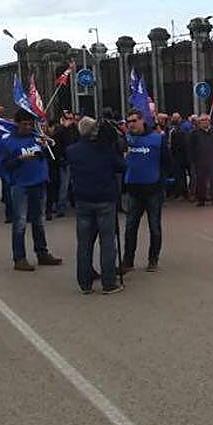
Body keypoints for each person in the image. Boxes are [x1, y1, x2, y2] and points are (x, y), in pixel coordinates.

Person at [66, 117, 125, 294]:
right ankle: (109, 282)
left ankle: (85, 283)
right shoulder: (105, 150)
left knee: (84, 243)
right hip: (105, 199)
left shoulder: (72, 151)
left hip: (83, 199)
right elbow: (121, 166)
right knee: (107, 242)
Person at [2, 110, 62, 271]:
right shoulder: (9, 141)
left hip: (39, 182)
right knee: (20, 222)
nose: (28, 127)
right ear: (17, 124)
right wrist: (19, 159)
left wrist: (46, 146)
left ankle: (42, 252)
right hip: (20, 185)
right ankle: (19, 258)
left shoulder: (37, 138)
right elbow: (5, 165)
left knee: (39, 221)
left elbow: (51, 156)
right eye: (25, 124)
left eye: (30, 124)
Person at [122, 109, 172, 273]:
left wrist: (161, 181)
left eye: (134, 121)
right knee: (130, 227)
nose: (131, 124)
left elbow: (167, 162)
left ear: (142, 120)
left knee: (154, 227)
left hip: (153, 189)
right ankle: (128, 260)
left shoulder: (157, 139)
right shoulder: (126, 139)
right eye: (128, 122)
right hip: (133, 189)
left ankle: (153, 259)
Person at [187, 115, 213, 206]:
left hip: (212, 160)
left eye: (206, 120)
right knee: (200, 181)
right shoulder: (194, 133)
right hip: (200, 161)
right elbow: (191, 148)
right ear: (199, 122)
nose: (204, 122)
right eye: (202, 120)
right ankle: (201, 200)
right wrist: (193, 160)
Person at [51, 111, 79, 217]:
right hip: (64, 160)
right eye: (68, 118)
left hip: (73, 160)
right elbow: (56, 144)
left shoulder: (75, 130)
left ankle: (74, 204)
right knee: (64, 185)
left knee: (74, 184)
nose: (70, 121)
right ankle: (61, 207)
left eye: (71, 119)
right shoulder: (60, 130)